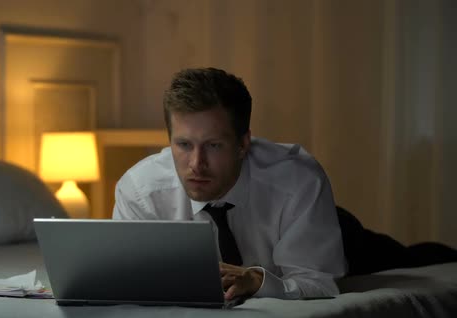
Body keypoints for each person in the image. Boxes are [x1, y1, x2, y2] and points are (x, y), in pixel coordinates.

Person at [113, 67, 346, 301]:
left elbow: (319, 283)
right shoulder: (140, 191)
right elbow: (127, 282)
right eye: (184, 145)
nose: (196, 164)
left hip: (330, 231)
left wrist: (259, 281)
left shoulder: (297, 183)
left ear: (243, 144)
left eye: (213, 145)